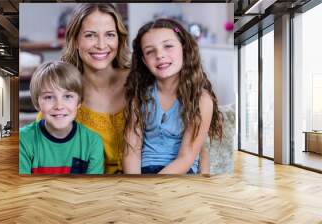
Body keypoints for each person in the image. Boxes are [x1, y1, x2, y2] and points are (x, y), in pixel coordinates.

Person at [123, 18, 223, 174]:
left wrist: (153, 188)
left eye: (168, 46)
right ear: (144, 60)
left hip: (180, 173)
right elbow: (131, 153)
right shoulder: (139, 96)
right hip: (144, 173)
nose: (160, 55)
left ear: (184, 48)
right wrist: (136, 187)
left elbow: (186, 158)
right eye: (150, 51)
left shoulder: (201, 100)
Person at [61, 3, 130, 174]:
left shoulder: (139, 81)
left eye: (110, 35)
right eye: (90, 35)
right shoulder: (62, 93)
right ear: (75, 41)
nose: (101, 45)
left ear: (119, 39)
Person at [20, 61, 104, 174]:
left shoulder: (92, 142)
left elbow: (93, 189)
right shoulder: (23, 140)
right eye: (49, 97)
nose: (59, 106)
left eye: (68, 96)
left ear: (79, 102)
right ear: (37, 102)